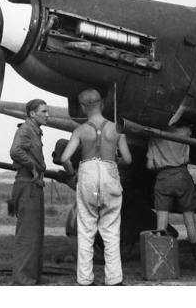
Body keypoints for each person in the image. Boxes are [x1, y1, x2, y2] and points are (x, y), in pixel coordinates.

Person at [60, 89, 132, 286]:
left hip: (88, 173)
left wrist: (72, 174)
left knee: (86, 229)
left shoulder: (80, 131)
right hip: (109, 172)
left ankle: (85, 279)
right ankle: (114, 279)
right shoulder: (117, 129)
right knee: (111, 229)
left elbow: (65, 158)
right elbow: (128, 159)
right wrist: (114, 162)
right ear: (102, 104)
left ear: (83, 107)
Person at [146, 125, 196, 270]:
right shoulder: (185, 131)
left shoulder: (154, 134)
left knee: (161, 224)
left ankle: (160, 263)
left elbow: (150, 165)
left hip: (163, 178)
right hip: (182, 177)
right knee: (190, 222)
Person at [9, 98, 50, 285]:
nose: (47, 115)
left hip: (32, 185)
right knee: (27, 234)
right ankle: (23, 280)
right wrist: (33, 165)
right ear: (32, 114)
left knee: (34, 233)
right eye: (44, 112)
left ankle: (30, 277)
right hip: (27, 185)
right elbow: (16, 151)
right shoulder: (26, 130)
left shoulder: (34, 131)